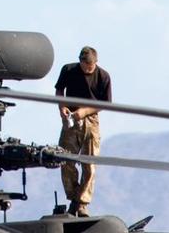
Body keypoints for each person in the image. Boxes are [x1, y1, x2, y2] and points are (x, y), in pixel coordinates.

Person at [54, 45, 112, 217]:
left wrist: (85, 111)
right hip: (71, 119)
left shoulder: (103, 76)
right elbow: (59, 89)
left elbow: (106, 102)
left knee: (89, 165)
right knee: (66, 160)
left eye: (91, 66)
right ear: (80, 62)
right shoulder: (68, 70)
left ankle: (82, 203)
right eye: (85, 65)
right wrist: (62, 107)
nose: (88, 69)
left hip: (91, 120)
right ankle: (74, 199)